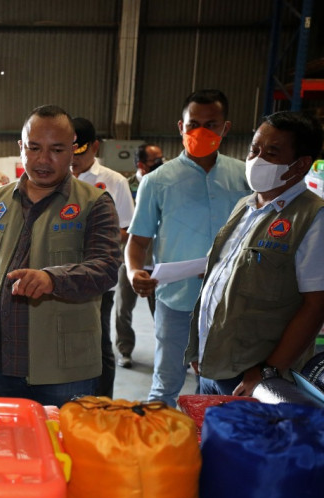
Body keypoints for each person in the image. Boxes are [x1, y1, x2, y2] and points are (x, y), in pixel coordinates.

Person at [186, 111, 324, 396]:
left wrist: (268, 371)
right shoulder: (245, 207)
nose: (256, 160)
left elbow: (318, 304)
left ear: (300, 165)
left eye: (271, 153)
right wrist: (201, 348)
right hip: (215, 365)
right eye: (254, 149)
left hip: (257, 376)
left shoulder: (315, 218)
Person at [0, 105, 122, 407]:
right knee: (6, 449)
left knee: (65, 449)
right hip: (0, 365)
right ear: (21, 147)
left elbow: (107, 268)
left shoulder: (94, 203)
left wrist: (51, 279)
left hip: (64, 371)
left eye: (56, 149)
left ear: (72, 150)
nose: (43, 160)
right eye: (34, 148)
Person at [126, 89, 250, 406]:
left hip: (231, 301)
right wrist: (133, 270)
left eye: (212, 124)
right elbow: (138, 241)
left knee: (224, 386)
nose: (202, 132)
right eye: (194, 123)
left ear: (226, 128)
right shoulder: (157, 181)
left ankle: (213, 445)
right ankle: (159, 445)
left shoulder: (244, 177)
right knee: (166, 384)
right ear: (180, 127)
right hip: (177, 300)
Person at [69, 117, 133, 397]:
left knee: (99, 344)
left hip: (97, 281)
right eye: (68, 151)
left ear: (95, 146)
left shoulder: (113, 181)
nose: (74, 159)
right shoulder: (55, 178)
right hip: (58, 276)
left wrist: (90, 240)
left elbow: (126, 229)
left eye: (80, 152)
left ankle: (103, 402)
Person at [118, 143, 163, 368]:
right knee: (123, 309)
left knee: (162, 311)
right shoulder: (126, 187)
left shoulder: (165, 184)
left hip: (158, 259)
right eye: (156, 161)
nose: (161, 164)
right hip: (129, 258)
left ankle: (167, 354)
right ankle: (125, 350)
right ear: (141, 165)